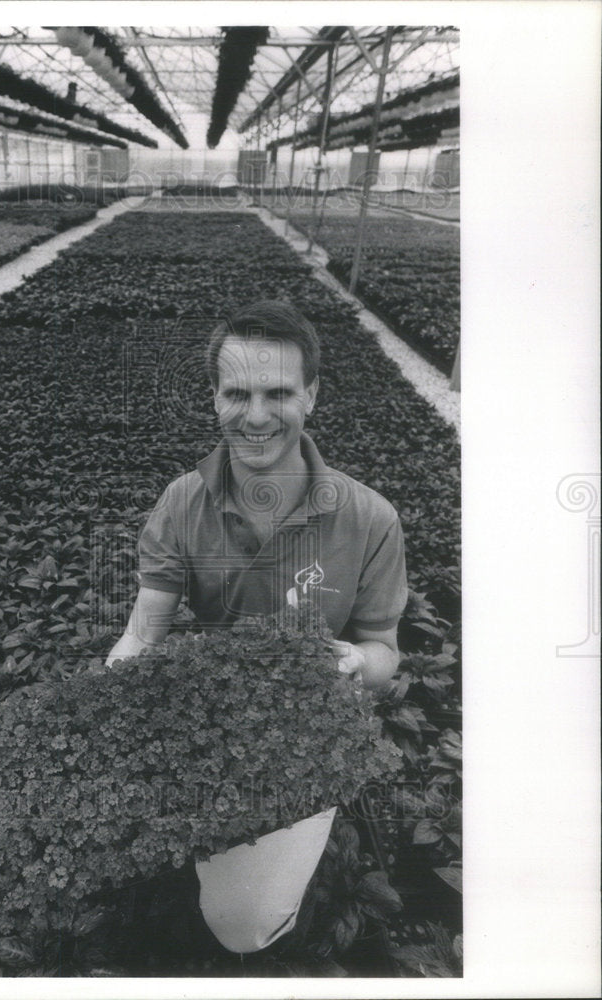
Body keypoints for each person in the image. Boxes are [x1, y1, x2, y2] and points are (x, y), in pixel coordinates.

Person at [106, 300, 408, 954]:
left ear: (312, 395)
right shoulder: (183, 502)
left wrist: (353, 663)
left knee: (243, 929)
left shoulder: (369, 518)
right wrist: (108, 698)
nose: (256, 415)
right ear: (213, 397)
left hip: (310, 725)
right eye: (236, 393)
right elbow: (143, 631)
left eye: (278, 393)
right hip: (211, 716)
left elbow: (383, 653)